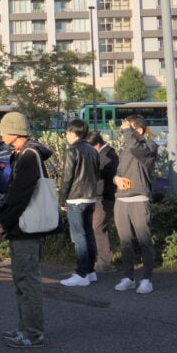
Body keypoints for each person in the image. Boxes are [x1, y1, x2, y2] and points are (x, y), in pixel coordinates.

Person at [0, 111, 55, 348]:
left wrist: (4, 223)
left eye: (3, 129)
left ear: (15, 132)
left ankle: (32, 333)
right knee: (22, 282)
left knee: (28, 283)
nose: (0, 133)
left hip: (26, 228)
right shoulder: (25, 153)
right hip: (24, 227)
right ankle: (24, 329)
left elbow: (19, 196)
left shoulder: (28, 156)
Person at [114, 115, 158, 294]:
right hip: (121, 199)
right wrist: (116, 179)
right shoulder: (125, 148)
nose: (125, 131)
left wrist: (127, 131)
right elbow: (118, 171)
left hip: (139, 199)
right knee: (125, 242)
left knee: (144, 241)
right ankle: (128, 277)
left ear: (139, 130)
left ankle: (147, 279)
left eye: (129, 128)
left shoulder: (149, 146)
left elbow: (135, 148)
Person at [59, 119, 102, 287]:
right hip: (90, 197)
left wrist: (62, 198)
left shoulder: (72, 151)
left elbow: (67, 177)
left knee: (79, 236)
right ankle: (90, 271)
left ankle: (81, 273)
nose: (66, 135)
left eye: (67, 132)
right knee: (88, 233)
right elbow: (96, 174)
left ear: (73, 132)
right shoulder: (92, 150)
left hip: (75, 197)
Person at [90, 131, 119, 272]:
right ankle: (101, 260)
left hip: (105, 196)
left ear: (96, 144)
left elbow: (109, 175)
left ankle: (105, 262)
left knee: (98, 227)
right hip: (100, 196)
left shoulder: (109, 154)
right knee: (97, 228)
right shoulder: (104, 153)